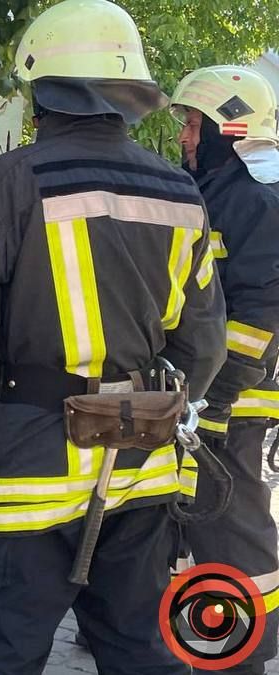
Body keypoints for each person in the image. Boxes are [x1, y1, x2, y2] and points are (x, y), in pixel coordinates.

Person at [0, 0, 227, 672]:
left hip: (32, 471)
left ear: (44, 90)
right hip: (141, 467)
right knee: (140, 647)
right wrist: (151, 405)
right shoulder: (179, 194)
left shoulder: (3, 185)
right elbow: (204, 346)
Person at [171, 64, 279, 674]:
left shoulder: (257, 201)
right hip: (205, 402)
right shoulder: (214, 193)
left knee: (232, 526)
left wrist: (215, 399)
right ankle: (205, 635)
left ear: (229, 128)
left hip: (233, 403)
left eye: (193, 123)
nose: (184, 135)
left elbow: (260, 312)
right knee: (197, 526)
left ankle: (243, 654)